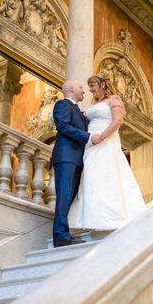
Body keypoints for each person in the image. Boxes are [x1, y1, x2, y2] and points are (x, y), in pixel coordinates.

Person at [68, 74, 146, 232]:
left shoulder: (114, 99)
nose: (90, 90)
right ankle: (91, 216)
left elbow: (117, 121)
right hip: (91, 144)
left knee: (106, 174)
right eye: (88, 86)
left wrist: (102, 137)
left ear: (102, 84)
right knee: (91, 175)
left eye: (92, 85)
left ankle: (110, 216)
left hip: (106, 142)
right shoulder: (94, 103)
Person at [50, 80, 100, 247]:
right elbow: (63, 126)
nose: (84, 91)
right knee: (63, 197)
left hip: (78, 159)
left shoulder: (79, 111)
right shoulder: (62, 105)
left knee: (70, 198)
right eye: (80, 88)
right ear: (71, 89)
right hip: (66, 157)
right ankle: (60, 236)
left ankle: (65, 233)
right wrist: (88, 137)